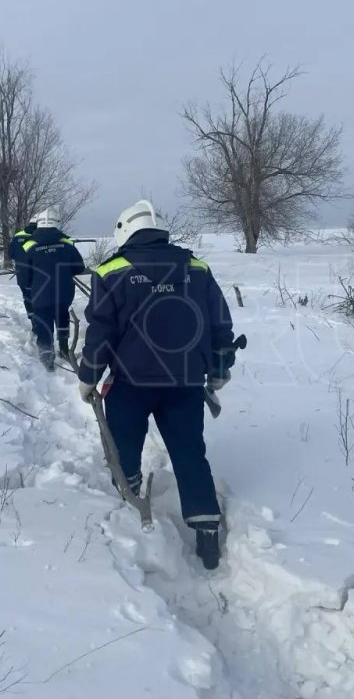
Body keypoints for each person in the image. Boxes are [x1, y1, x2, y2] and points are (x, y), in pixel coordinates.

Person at [76, 200, 237, 570]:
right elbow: (219, 325)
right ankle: (207, 532)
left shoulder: (111, 271)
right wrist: (220, 367)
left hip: (130, 385)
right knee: (189, 454)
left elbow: (101, 333)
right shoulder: (198, 269)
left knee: (124, 448)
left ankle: (130, 503)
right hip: (185, 383)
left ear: (125, 232)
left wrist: (88, 376)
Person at [23, 209, 86, 371]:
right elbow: (79, 267)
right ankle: (64, 348)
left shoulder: (29, 245)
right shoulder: (66, 244)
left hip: (40, 294)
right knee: (62, 316)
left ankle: (46, 356)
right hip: (64, 293)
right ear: (57, 223)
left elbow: (24, 275)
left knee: (43, 323)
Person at [8, 217, 38, 321]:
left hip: (22, 274)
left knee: (27, 298)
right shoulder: (39, 236)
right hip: (37, 274)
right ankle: (40, 322)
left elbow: (11, 254)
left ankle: (33, 320)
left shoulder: (17, 235)